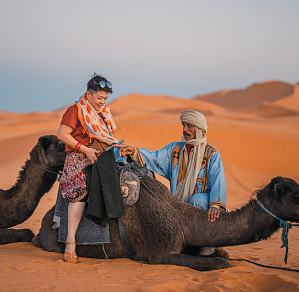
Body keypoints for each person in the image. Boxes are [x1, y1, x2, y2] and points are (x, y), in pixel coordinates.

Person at [118, 109, 226, 256]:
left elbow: (218, 181)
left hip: (203, 204)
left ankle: (208, 241)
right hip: (180, 203)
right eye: (183, 125)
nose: (184, 130)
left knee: (197, 200)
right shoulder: (175, 149)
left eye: (189, 126)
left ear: (199, 128)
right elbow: (155, 157)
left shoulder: (212, 154)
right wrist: (135, 152)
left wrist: (215, 204)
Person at [56, 73, 119, 263]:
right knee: (80, 191)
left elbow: (106, 138)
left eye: (105, 99)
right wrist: (85, 149)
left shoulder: (103, 114)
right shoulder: (75, 110)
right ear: (88, 94)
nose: (102, 102)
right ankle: (70, 243)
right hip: (78, 157)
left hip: (100, 156)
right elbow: (62, 134)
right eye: (99, 98)